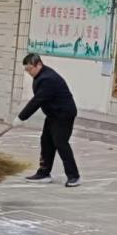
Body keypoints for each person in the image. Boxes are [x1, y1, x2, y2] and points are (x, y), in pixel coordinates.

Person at [18, 53, 80, 186]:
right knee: (46, 141)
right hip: (53, 114)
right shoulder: (40, 75)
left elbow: (37, 101)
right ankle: (44, 173)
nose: (28, 72)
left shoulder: (48, 79)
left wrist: (21, 117)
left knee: (60, 143)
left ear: (38, 64)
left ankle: (74, 176)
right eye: (26, 70)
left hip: (63, 114)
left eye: (30, 69)